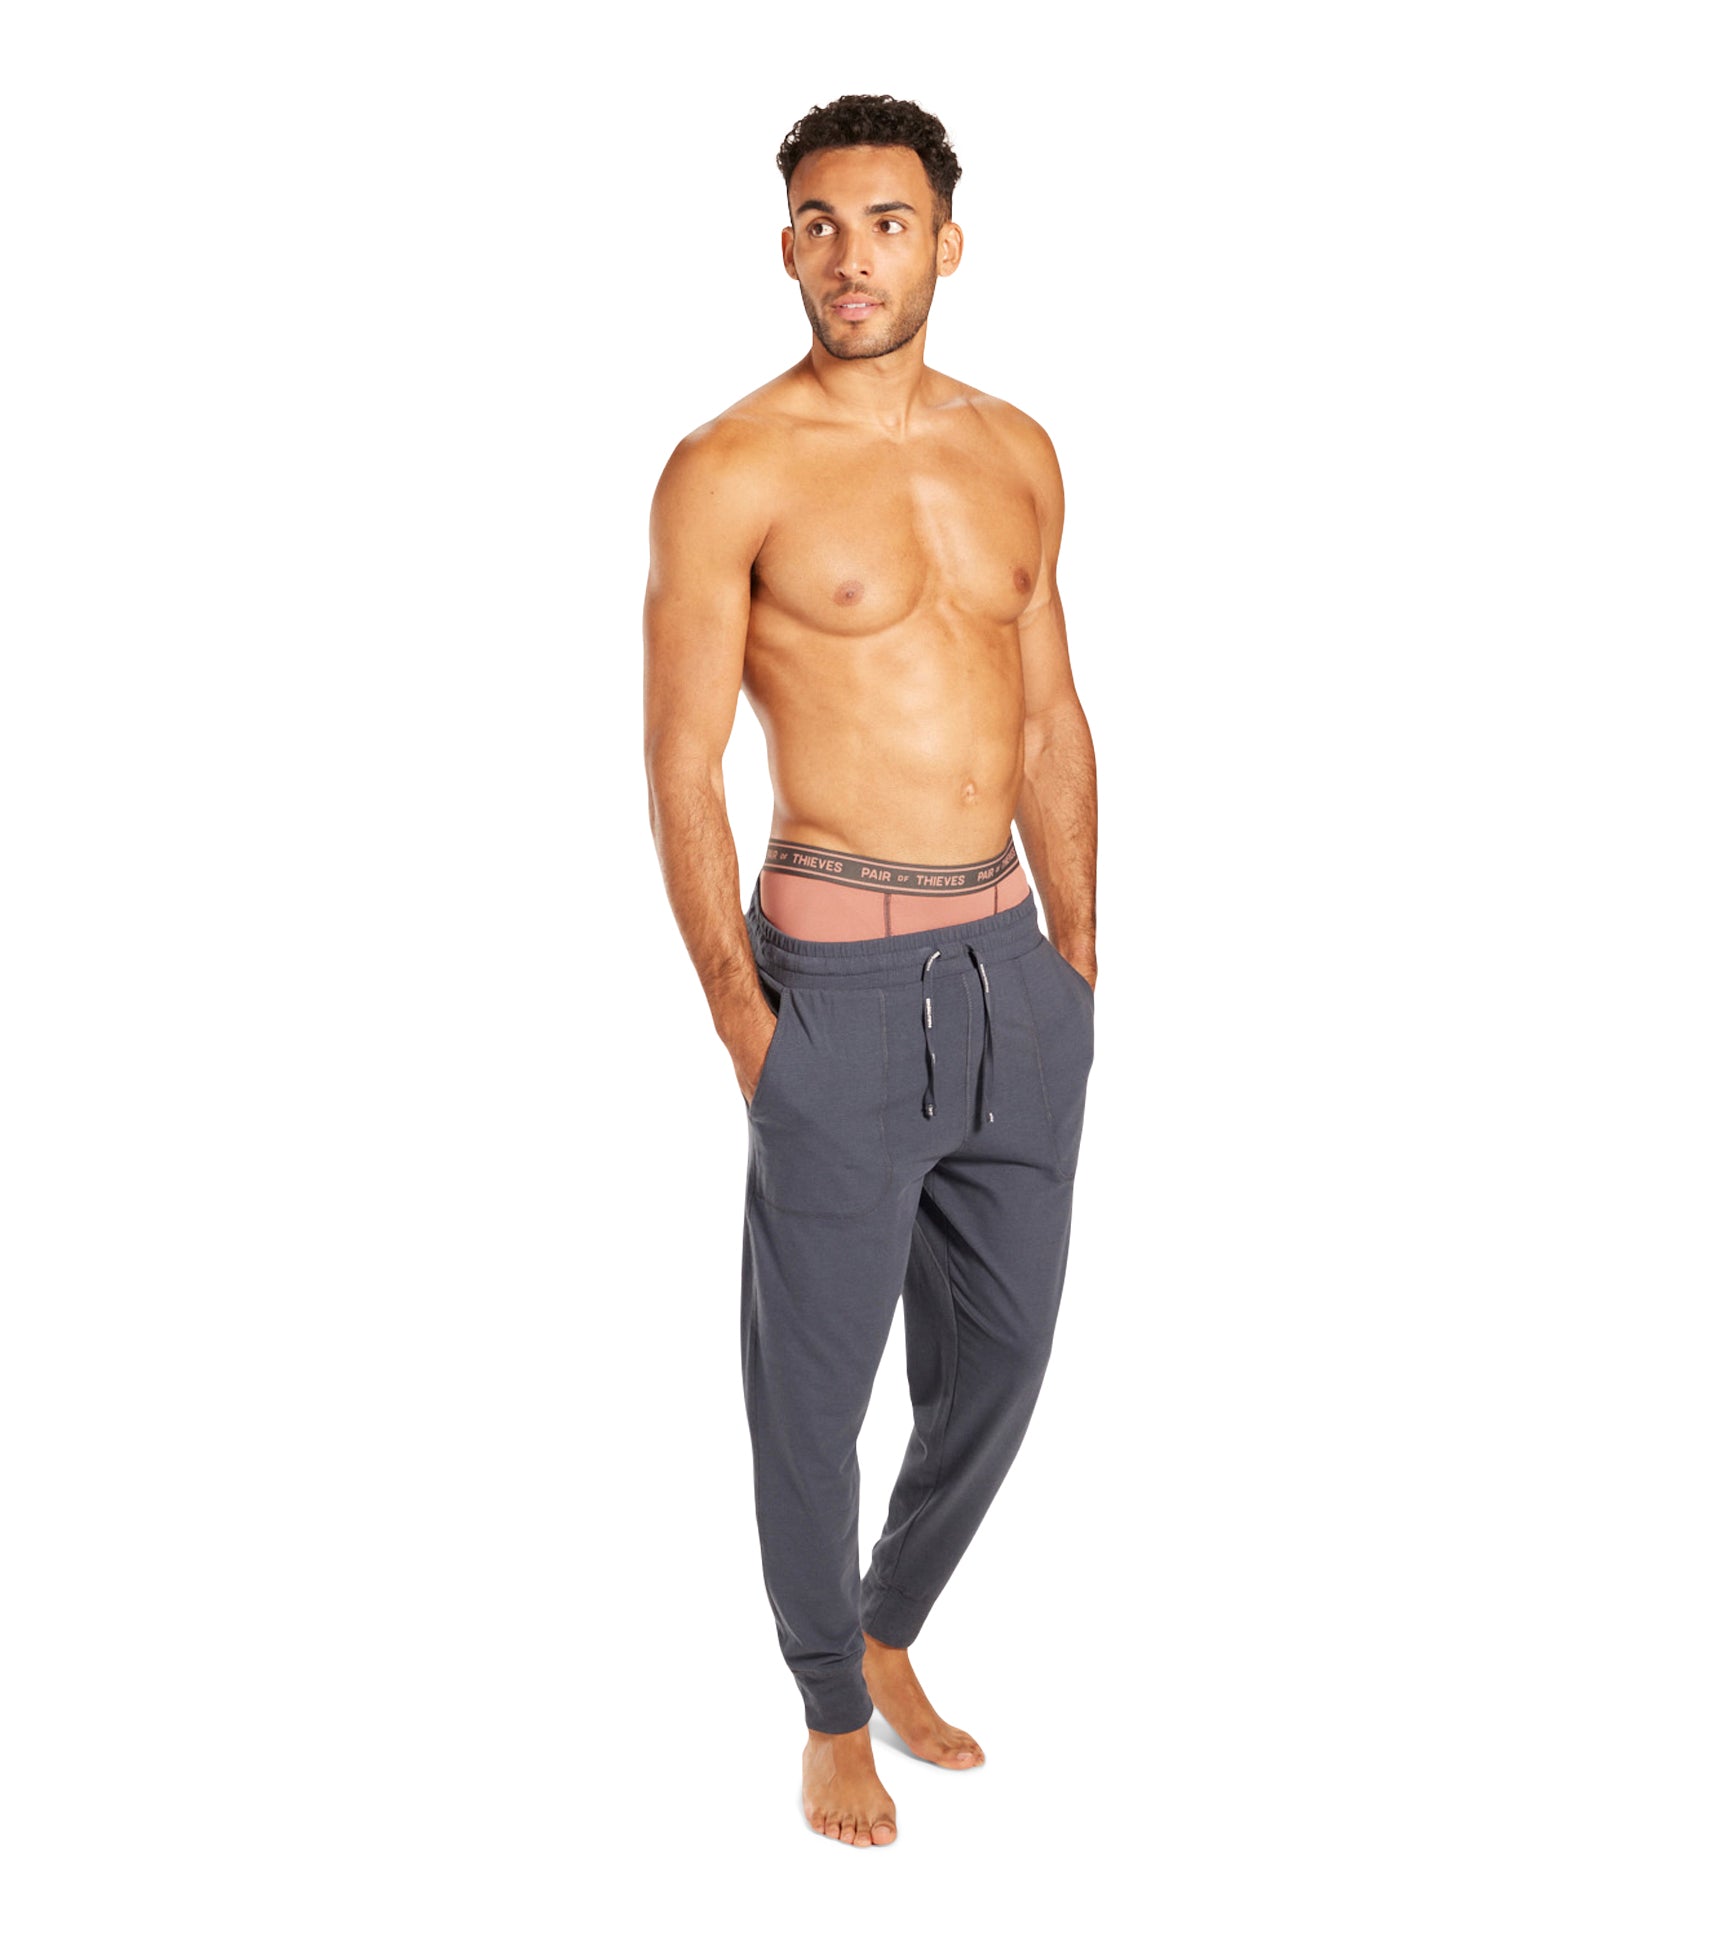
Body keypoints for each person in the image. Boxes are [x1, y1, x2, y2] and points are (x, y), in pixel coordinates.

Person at [643, 94, 1097, 1849]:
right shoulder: (729, 468)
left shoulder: (1017, 450)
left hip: (1010, 977)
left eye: (888, 222)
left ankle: (891, 1619)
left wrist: (1077, 955)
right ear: (786, 246)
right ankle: (830, 1701)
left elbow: (1049, 714)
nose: (854, 256)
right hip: (829, 992)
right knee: (813, 1394)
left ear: (946, 243)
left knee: (1004, 1359)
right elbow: (681, 764)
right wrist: (745, 1025)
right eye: (822, 224)